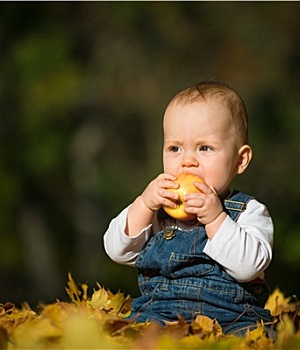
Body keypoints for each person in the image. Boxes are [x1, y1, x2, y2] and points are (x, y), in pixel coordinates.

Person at [103, 81, 274, 335]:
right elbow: (117, 251)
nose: (187, 161)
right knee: (131, 333)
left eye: (204, 148)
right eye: (175, 148)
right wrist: (144, 203)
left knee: (261, 337)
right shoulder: (159, 212)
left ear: (240, 160)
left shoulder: (248, 212)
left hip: (232, 321)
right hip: (160, 317)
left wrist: (216, 218)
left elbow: (249, 266)